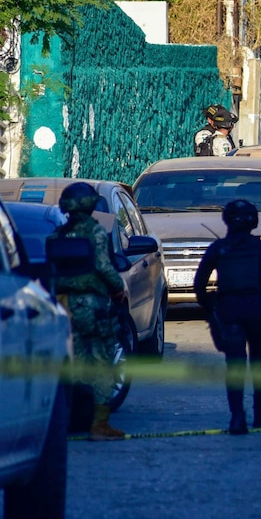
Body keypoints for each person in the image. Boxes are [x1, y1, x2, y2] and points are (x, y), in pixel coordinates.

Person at [193, 199, 261, 435]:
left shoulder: (219, 249)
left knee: (234, 365)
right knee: (259, 361)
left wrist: (212, 308)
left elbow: (199, 285)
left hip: (229, 310)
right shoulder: (260, 249)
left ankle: (237, 416)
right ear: (253, 222)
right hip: (258, 309)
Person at [49, 182, 127, 442]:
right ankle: (100, 424)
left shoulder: (57, 235)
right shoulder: (95, 232)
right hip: (91, 306)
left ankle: (71, 419)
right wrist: (119, 287)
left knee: (74, 364)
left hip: (62, 305)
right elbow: (104, 268)